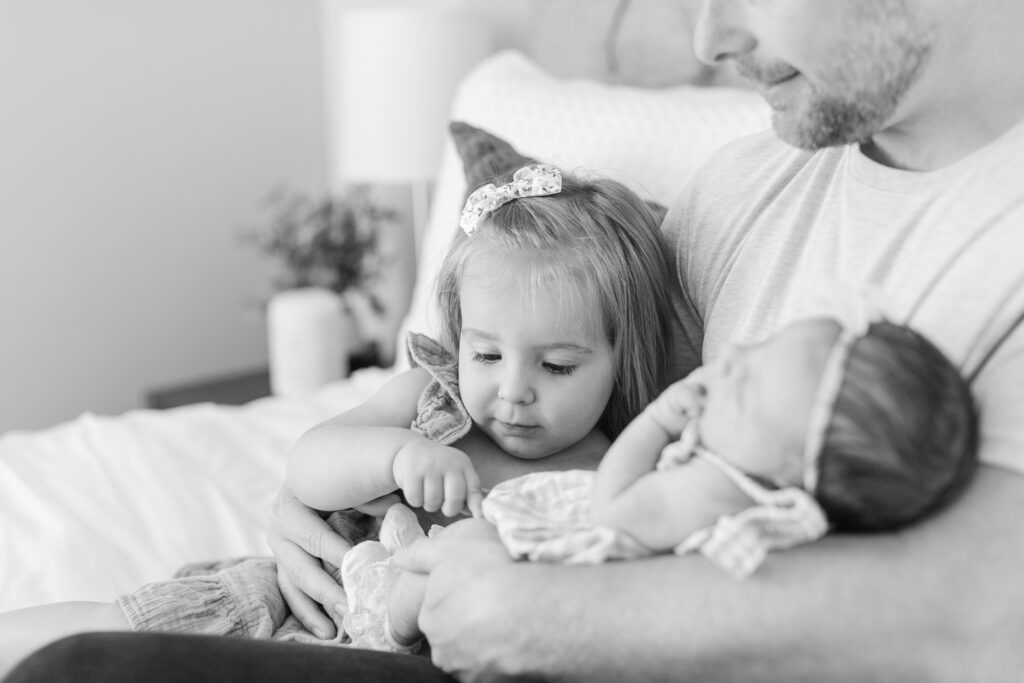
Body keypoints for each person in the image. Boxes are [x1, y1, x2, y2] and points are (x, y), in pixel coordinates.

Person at [8, 0, 1024, 680]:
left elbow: (982, 606)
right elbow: (590, 407)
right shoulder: (747, 185)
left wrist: (533, 610)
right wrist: (317, 490)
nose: (711, 38)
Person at [0, 162, 676, 677]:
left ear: (624, 357)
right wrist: (396, 458)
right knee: (113, 628)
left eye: (557, 365)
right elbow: (309, 463)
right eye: (488, 353)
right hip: (293, 599)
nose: (513, 390)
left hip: (399, 657)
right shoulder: (432, 401)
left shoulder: (607, 472)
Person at [340, 309, 977, 653]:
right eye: (759, 348)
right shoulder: (763, 486)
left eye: (747, 384)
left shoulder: (716, 490)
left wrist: (658, 420)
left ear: (789, 467)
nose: (731, 362)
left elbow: (618, 505)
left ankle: (383, 613)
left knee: (439, 563)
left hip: (546, 559)